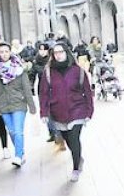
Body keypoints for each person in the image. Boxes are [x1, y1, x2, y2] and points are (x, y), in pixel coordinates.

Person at [39, 43, 94, 181]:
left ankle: (76, 168)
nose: (58, 55)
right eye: (55, 53)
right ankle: (78, 157)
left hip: (77, 110)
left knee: (74, 138)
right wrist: (44, 112)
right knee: (68, 139)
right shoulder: (48, 72)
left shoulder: (78, 71)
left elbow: (87, 91)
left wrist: (89, 111)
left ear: (66, 52)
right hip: (58, 112)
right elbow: (44, 93)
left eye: (60, 52)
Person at [0, 41, 37, 167]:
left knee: (18, 131)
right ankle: (21, 152)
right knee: (11, 131)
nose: (4, 54)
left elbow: (27, 88)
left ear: (10, 52)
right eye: (1, 52)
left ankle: (18, 156)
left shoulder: (19, 69)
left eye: (6, 51)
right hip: (3, 105)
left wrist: (32, 106)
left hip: (18, 103)